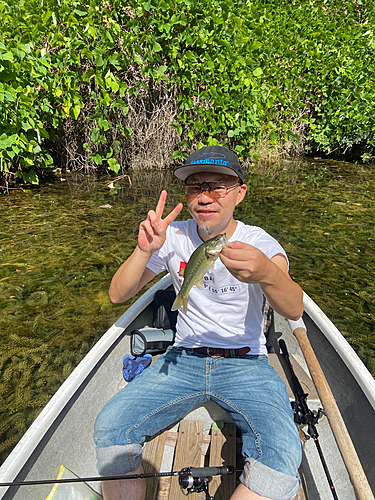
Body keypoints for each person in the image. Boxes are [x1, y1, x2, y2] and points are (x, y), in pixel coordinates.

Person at [94, 145, 304, 500]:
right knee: (111, 427)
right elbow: (118, 294)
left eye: (217, 186)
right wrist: (145, 249)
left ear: (240, 192)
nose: (205, 197)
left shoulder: (258, 242)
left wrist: (267, 272)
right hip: (183, 360)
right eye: (195, 187)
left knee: (281, 454)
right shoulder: (172, 236)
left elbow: (294, 308)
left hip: (246, 364)